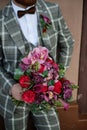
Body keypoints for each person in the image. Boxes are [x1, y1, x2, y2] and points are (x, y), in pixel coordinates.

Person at [0, 0, 74, 130]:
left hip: (46, 94)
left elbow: (68, 43)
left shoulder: (52, 10)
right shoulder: (1, 19)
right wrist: (11, 87)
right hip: (14, 99)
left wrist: (57, 75)